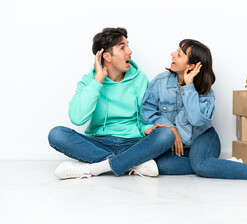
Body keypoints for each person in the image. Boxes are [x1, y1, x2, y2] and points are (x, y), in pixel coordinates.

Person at [141, 39, 247, 188]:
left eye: (179, 54)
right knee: (159, 165)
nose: (172, 54)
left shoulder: (204, 90)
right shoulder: (160, 82)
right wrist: (170, 128)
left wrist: (189, 87)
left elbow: (197, 120)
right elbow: (147, 112)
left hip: (203, 136)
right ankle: (219, 165)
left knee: (199, 164)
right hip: (178, 145)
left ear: (191, 66)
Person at [48, 27, 175, 179]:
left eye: (127, 45)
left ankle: (96, 168)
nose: (129, 51)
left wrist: (147, 128)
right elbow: (77, 118)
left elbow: (144, 115)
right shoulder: (90, 81)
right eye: (122, 47)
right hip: (98, 143)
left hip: (133, 143)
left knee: (166, 134)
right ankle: (132, 164)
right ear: (107, 56)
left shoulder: (139, 78)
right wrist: (98, 81)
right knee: (56, 134)